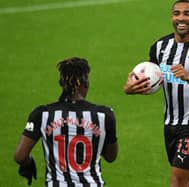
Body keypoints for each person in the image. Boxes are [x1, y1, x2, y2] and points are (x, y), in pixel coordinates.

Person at [124, 0, 189, 186]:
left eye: (187, 13)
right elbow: (152, 79)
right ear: (172, 17)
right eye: (177, 13)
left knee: (177, 180)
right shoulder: (159, 47)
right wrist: (131, 88)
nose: (181, 18)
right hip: (171, 125)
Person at [14, 57, 118, 187]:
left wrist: (28, 164)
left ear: (61, 84)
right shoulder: (104, 115)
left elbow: (20, 156)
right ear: (85, 83)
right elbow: (111, 157)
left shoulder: (42, 114)